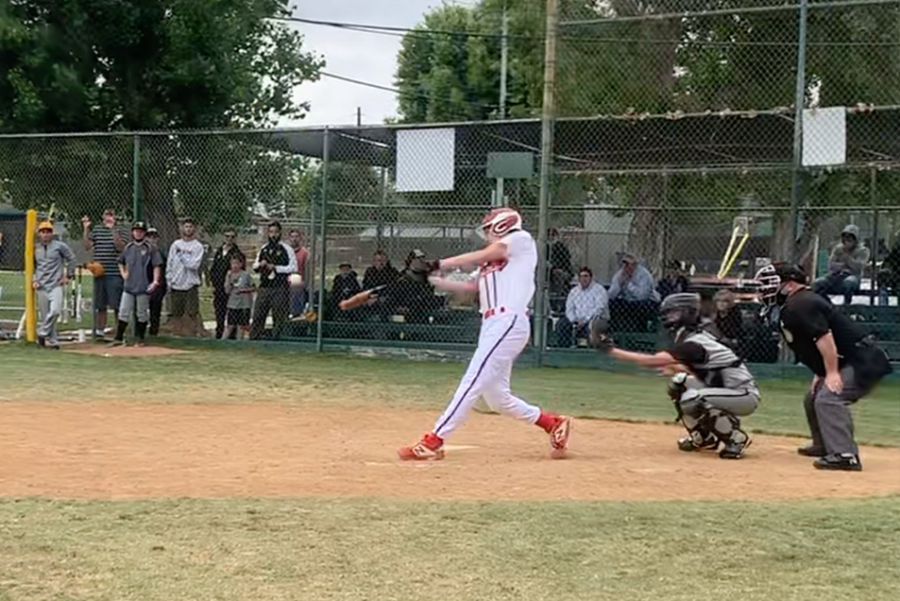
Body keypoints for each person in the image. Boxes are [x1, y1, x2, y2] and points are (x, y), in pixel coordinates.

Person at [398, 207, 573, 461]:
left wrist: (441, 263)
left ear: (503, 225)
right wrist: (434, 279)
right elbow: (470, 287)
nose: (488, 233)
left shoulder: (520, 240)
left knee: (473, 380)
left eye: (490, 228)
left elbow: (488, 253)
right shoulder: (491, 264)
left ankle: (433, 440)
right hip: (492, 324)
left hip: (509, 320)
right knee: (497, 399)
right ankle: (552, 423)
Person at [756, 263, 893, 471]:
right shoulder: (796, 302)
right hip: (852, 358)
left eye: (772, 284)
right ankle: (825, 445)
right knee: (812, 397)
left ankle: (845, 455)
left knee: (829, 398)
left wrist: (831, 373)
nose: (764, 290)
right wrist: (820, 373)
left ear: (790, 284)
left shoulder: (802, 302)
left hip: (864, 360)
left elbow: (824, 336)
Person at [593, 293, 759, 459]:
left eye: (674, 312)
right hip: (723, 391)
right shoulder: (690, 336)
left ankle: (735, 438)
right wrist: (671, 368)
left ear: (687, 313)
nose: (668, 316)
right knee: (679, 384)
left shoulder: (695, 342)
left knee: (692, 398)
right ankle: (703, 438)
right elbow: (694, 370)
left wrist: (611, 350)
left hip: (742, 395)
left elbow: (654, 361)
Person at [111, 221, 162, 347]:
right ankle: (118, 337)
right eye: (136, 231)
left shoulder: (150, 248)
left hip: (143, 285)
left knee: (142, 312)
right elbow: (120, 261)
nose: (138, 233)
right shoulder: (128, 248)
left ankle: (140, 338)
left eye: (141, 231)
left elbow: (157, 265)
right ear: (132, 232)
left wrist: (155, 281)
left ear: (144, 233)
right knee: (123, 311)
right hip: (129, 286)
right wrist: (123, 273)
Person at [82, 210, 128, 338]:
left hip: (115, 273)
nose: (108, 218)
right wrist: (86, 229)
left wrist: (113, 230)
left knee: (116, 305)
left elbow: (120, 247)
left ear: (115, 217)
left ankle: (120, 333)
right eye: (106, 215)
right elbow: (87, 246)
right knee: (100, 305)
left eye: (111, 215)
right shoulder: (97, 230)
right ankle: (99, 332)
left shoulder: (121, 230)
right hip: (100, 272)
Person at [33, 221, 76, 349]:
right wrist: (34, 279)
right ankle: (53, 341)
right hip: (41, 285)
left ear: (52, 233)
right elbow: (31, 266)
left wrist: (68, 275)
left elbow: (72, 259)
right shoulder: (35, 248)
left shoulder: (59, 246)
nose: (46, 235)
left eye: (48, 232)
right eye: (43, 232)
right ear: (39, 234)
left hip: (55, 284)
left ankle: (42, 332)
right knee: (46, 315)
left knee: (55, 311)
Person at [250, 221, 297, 340]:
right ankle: (254, 338)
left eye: (275, 232)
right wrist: (260, 264)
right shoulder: (264, 248)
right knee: (258, 314)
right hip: (265, 286)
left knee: (279, 315)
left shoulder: (286, 249)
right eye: (271, 232)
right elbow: (255, 265)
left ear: (280, 233)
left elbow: (293, 267)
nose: (273, 235)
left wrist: (276, 268)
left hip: (280, 287)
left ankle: (277, 340)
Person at [166, 219, 205, 336]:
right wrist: (170, 280)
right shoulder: (176, 244)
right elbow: (170, 263)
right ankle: (177, 335)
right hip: (176, 285)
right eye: (186, 226)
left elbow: (194, 265)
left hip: (190, 285)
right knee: (176, 314)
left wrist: (183, 257)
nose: (188, 229)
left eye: (190, 227)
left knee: (192, 313)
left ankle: (193, 335)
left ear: (194, 229)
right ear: (182, 228)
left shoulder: (197, 246)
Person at [813, 224, 869, 305]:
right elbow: (831, 265)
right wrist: (843, 265)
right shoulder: (838, 248)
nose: (847, 240)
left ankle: (846, 304)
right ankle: (827, 305)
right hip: (836, 275)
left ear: (855, 239)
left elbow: (859, 267)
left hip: (852, 276)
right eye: (845, 237)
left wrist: (847, 259)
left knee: (849, 282)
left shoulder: (863, 250)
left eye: (850, 238)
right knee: (817, 283)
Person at [556, 267, 609, 347]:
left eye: (586, 276)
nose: (583, 279)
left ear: (591, 278)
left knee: (594, 325)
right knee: (562, 324)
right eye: (581, 276)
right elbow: (569, 309)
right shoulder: (574, 291)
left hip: (595, 319)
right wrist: (574, 320)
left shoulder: (599, 290)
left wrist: (585, 320)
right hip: (577, 320)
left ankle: (592, 349)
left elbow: (599, 309)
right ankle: (564, 348)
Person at [608, 252, 660, 331]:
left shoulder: (644, 275)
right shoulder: (620, 274)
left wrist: (628, 284)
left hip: (646, 302)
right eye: (624, 264)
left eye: (628, 264)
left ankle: (639, 331)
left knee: (638, 307)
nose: (625, 267)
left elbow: (642, 296)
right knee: (613, 304)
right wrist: (619, 284)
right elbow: (611, 295)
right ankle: (617, 331)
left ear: (635, 265)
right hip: (628, 302)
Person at [209, 228, 242, 339]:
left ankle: (231, 335)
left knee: (232, 313)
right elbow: (214, 268)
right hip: (218, 287)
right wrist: (213, 284)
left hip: (230, 288)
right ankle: (219, 333)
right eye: (227, 236)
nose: (229, 239)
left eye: (232, 237)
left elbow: (240, 272)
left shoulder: (237, 253)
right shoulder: (219, 251)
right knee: (219, 312)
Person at [224, 253, 254, 340]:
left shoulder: (245, 275)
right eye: (233, 263)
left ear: (241, 264)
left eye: (237, 263)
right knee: (230, 325)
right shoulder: (229, 275)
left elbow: (253, 287)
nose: (235, 266)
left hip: (244, 304)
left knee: (241, 326)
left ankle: (239, 342)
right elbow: (227, 290)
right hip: (233, 304)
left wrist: (243, 290)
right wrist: (228, 278)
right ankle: (222, 342)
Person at [145, 227, 168, 336]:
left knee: (155, 309)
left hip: (157, 285)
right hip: (144, 284)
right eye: (149, 237)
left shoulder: (160, 253)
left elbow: (164, 271)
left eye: (154, 237)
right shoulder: (142, 253)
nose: (152, 239)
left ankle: (153, 333)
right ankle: (140, 332)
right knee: (142, 310)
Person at [288, 229, 309, 317]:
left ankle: (296, 314)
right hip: (285, 281)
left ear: (300, 238)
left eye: (296, 237)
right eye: (292, 237)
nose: (294, 239)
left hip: (298, 282)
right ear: (289, 238)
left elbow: (307, 269)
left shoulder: (304, 252)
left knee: (296, 306)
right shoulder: (286, 251)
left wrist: (305, 282)